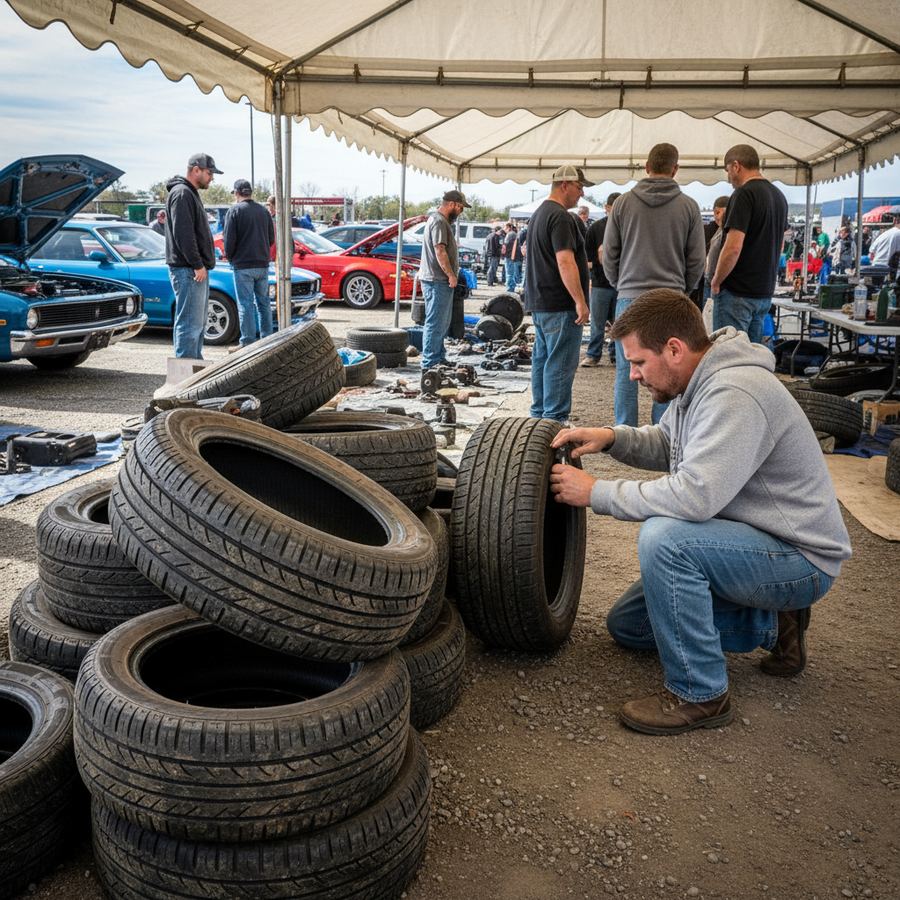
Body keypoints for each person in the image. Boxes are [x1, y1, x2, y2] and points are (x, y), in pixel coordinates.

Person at [548, 290, 851, 735]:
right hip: (752, 540)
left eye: (638, 362)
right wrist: (612, 437)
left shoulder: (736, 393)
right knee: (630, 627)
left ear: (674, 348)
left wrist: (597, 492)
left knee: (666, 540)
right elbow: (673, 446)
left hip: (799, 557)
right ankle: (774, 624)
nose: (631, 375)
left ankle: (700, 692)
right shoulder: (698, 382)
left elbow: (695, 497)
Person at [602, 142, 706, 427]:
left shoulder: (623, 203)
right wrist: (682, 290)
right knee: (670, 365)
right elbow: (697, 259)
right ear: (675, 169)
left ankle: (624, 430)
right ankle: (665, 432)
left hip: (629, 295)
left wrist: (620, 284)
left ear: (646, 168)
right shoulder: (689, 206)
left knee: (628, 368)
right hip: (670, 296)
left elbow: (609, 253)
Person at [523, 164, 592, 422]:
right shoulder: (561, 216)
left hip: (542, 302)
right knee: (560, 365)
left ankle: (540, 420)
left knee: (543, 361)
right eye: (579, 187)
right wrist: (580, 301)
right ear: (565, 185)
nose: (581, 193)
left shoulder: (540, 213)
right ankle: (553, 423)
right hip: (560, 304)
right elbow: (565, 261)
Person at [710, 144, 788, 343]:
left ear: (736, 166)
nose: (728, 178)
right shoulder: (779, 196)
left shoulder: (744, 194)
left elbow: (733, 246)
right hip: (763, 291)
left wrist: (717, 280)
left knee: (729, 357)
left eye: (728, 171)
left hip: (737, 292)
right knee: (753, 359)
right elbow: (780, 246)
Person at [165, 152, 222, 359]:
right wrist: (197, 264)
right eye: (209, 173)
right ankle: (185, 373)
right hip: (188, 270)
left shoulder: (188, 193)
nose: (212, 178)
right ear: (195, 169)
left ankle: (193, 366)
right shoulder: (182, 194)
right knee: (190, 323)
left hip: (193, 269)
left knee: (196, 323)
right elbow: (184, 234)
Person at [420, 189, 470, 370]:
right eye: (461, 208)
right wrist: (450, 275)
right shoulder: (439, 222)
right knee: (435, 323)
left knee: (441, 322)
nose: (461, 211)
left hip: (437, 280)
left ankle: (438, 357)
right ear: (453, 204)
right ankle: (430, 363)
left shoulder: (438, 220)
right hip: (437, 280)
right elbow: (440, 250)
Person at [223, 178, 276, 347]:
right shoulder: (264, 211)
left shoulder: (234, 211)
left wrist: (231, 258)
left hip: (243, 266)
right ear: (250, 193)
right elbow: (271, 238)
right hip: (262, 264)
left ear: (237, 193)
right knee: (264, 303)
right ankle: (267, 339)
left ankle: (248, 342)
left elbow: (229, 241)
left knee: (245, 305)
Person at [581, 192, 621, 367]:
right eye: (615, 207)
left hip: (621, 284)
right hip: (600, 283)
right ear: (607, 208)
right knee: (597, 322)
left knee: (619, 323)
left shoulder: (627, 226)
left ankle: (615, 354)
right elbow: (586, 257)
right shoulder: (596, 228)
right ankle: (593, 354)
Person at [504, 222, 524, 292]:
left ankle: (510, 288)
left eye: (505, 227)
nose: (504, 229)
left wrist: (504, 253)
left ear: (509, 227)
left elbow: (506, 246)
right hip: (513, 256)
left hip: (510, 256)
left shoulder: (510, 235)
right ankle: (511, 287)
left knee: (509, 273)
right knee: (512, 273)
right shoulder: (514, 234)